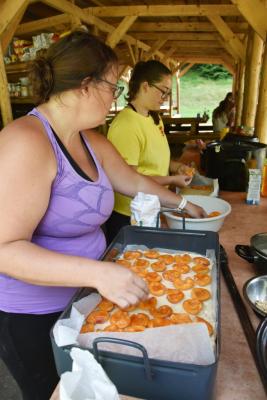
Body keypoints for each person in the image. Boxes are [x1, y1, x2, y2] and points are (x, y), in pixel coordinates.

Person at [0, 31, 206, 400]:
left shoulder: (88, 138)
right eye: (113, 86)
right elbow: (5, 248)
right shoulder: (25, 141)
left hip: (86, 301)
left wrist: (182, 205)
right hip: (35, 317)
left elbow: (131, 179)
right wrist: (97, 272)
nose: (116, 96)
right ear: (85, 86)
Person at [106, 60, 200, 243]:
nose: (166, 97)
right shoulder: (126, 125)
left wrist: (175, 167)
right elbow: (129, 179)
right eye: (163, 91)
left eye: (168, 92)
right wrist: (172, 180)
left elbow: (154, 160)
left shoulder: (153, 117)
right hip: (130, 214)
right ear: (145, 86)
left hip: (152, 206)